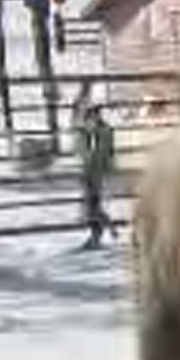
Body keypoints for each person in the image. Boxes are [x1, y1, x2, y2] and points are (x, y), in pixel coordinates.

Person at [72, 80, 116, 247]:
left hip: (94, 173)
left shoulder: (100, 130)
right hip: (89, 171)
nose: (91, 116)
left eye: (94, 113)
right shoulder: (95, 129)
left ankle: (104, 231)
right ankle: (100, 232)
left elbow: (103, 152)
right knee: (90, 205)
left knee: (92, 205)